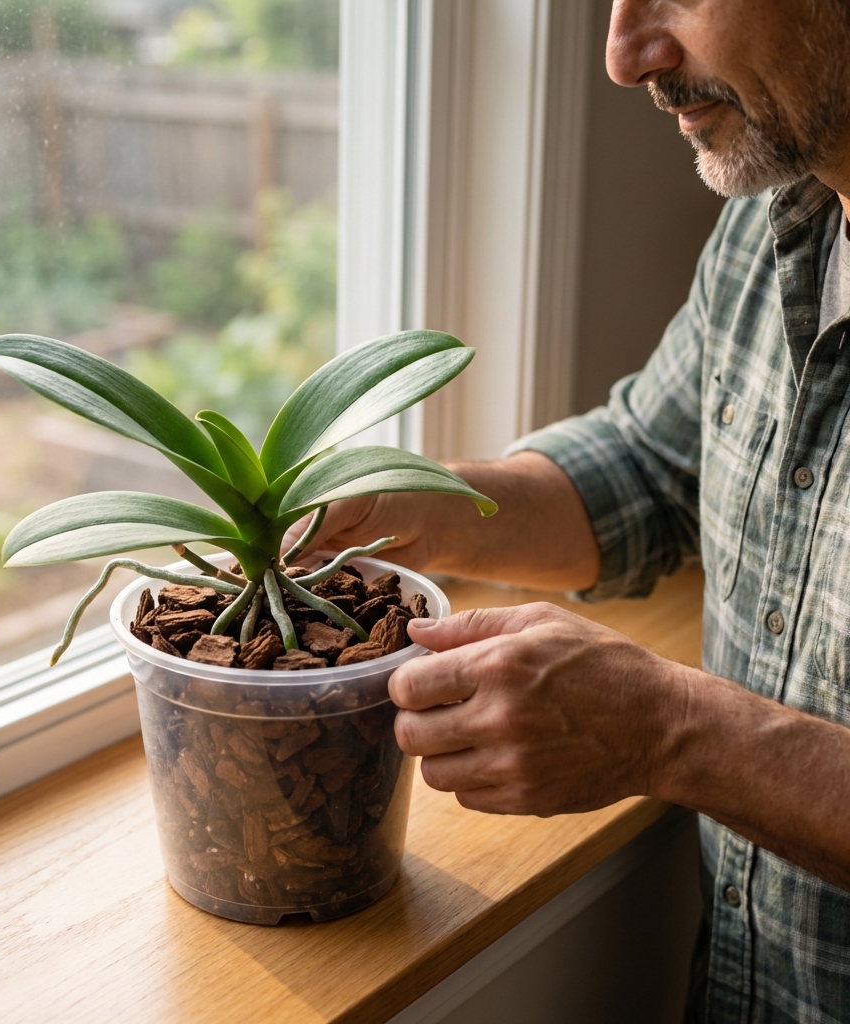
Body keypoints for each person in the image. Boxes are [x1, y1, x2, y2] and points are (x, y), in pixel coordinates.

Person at [285, 1, 850, 1019]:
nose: (624, 57)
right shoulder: (774, 224)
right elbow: (654, 465)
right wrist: (425, 506)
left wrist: (672, 729)